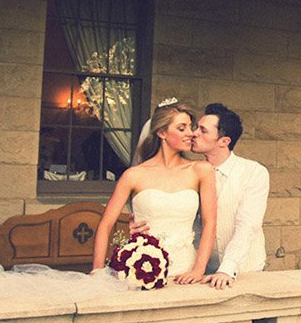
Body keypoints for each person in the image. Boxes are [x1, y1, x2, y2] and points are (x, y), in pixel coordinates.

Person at [91, 100, 216, 283]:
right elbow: (105, 225)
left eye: (191, 127)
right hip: (141, 268)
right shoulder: (133, 175)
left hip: (186, 270)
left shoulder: (202, 170)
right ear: (162, 132)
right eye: (182, 128)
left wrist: (198, 270)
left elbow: (210, 222)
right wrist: (97, 271)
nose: (191, 133)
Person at [188, 102, 269, 290]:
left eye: (203, 130)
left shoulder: (254, 172)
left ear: (224, 141)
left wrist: (227, 268)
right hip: (203, 272)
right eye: (196, 128)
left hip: (245, 270)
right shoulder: (191, 173)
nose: (194, 133)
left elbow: (248, 225)